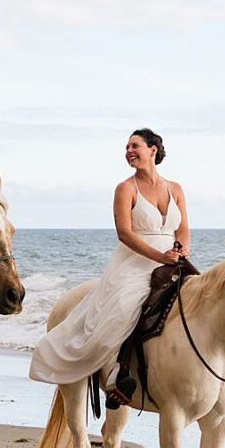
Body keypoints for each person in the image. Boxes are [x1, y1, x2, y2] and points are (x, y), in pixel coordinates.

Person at [30, 128, 189, 400]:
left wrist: (181, 250)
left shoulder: (175, 188)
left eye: (135, 146)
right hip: (135, 262)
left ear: (153, 150)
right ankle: (114, 371)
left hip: (172, 260)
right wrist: (158, 257)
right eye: (127, 147)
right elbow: (124, 234)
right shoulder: (126, 189)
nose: (129, 151)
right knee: (124, 306)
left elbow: (183, 228)